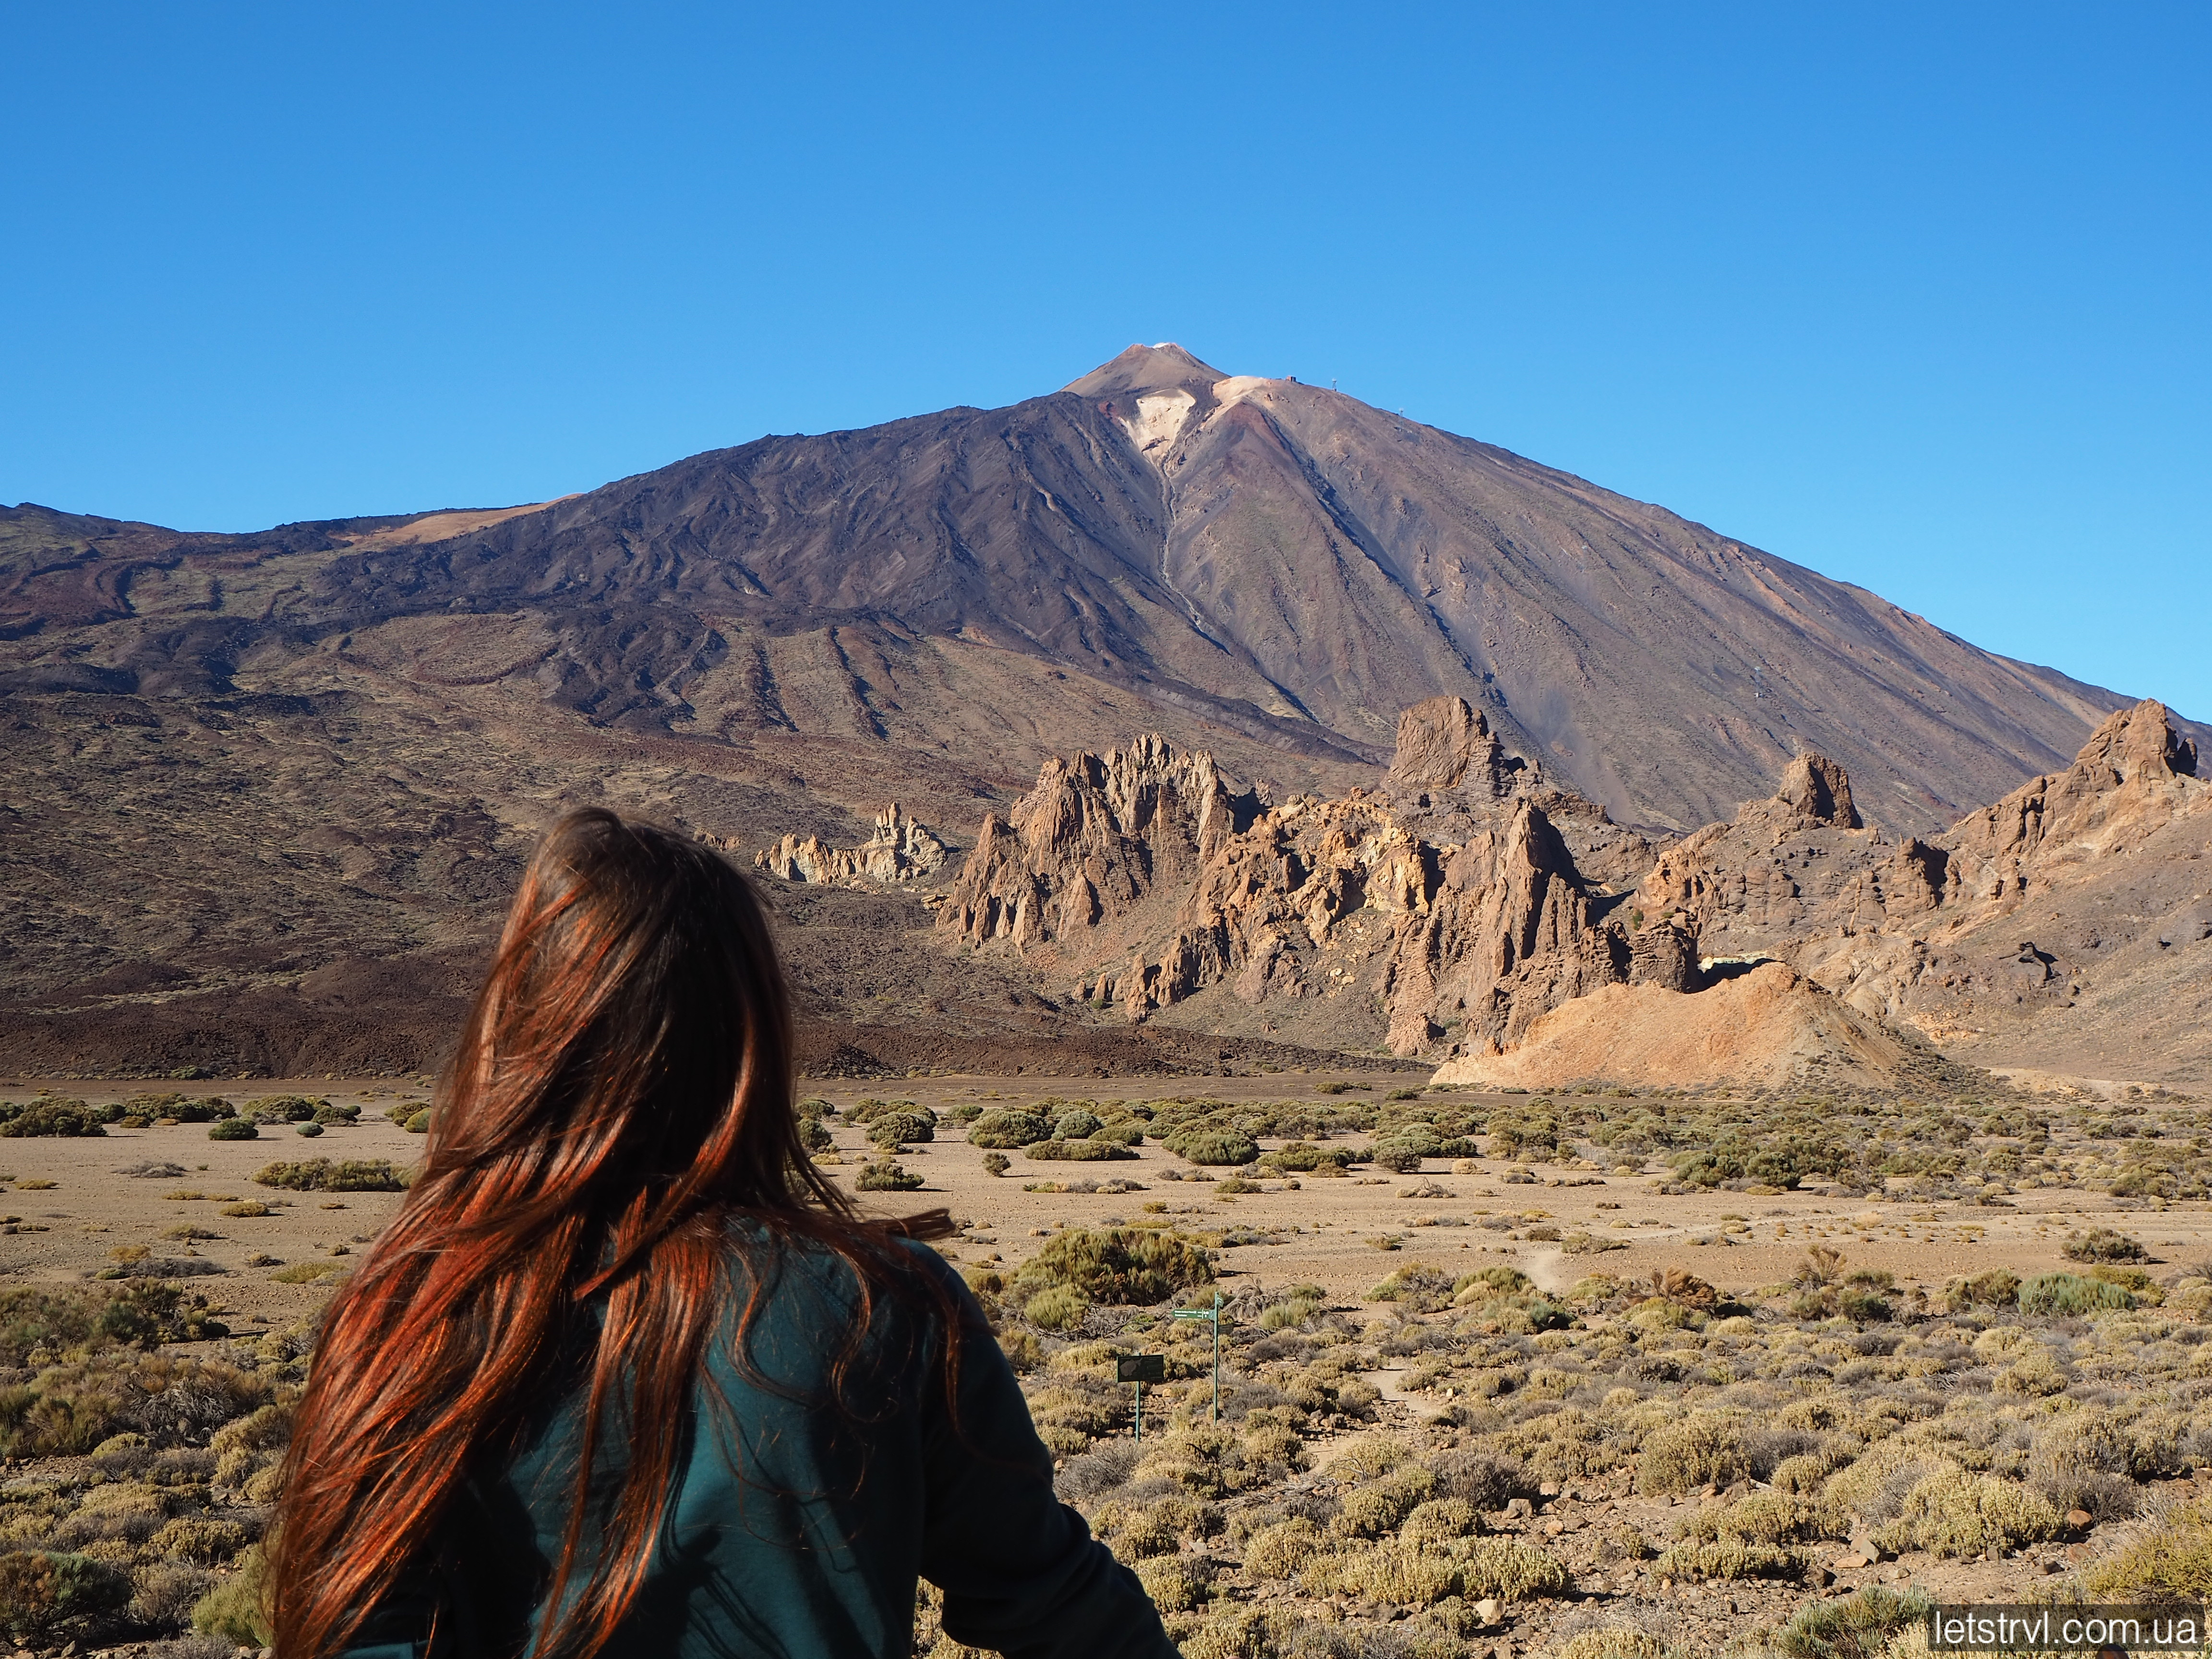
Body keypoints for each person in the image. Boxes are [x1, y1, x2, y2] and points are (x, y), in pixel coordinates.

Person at [270, 809, 1178, 1659]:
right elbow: (1057, 1603)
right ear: (750, 1037)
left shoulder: (404, 1315)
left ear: (518, 1030)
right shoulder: (885, 1308)